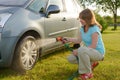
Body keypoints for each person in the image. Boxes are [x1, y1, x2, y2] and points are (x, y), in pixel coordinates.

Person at [63, 9, 105, 80]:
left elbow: (93, 46)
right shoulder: (82, 28)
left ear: (88, 19)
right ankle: (91, 63)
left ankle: (87, 73)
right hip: (88, 51)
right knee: (70, 58)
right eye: (80, 19)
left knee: (81, 50)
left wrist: (79, 50)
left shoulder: (94, 29)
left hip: (98, 53)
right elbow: (78, 40)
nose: (80, 20)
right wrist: (67, 39)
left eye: (82, 19)